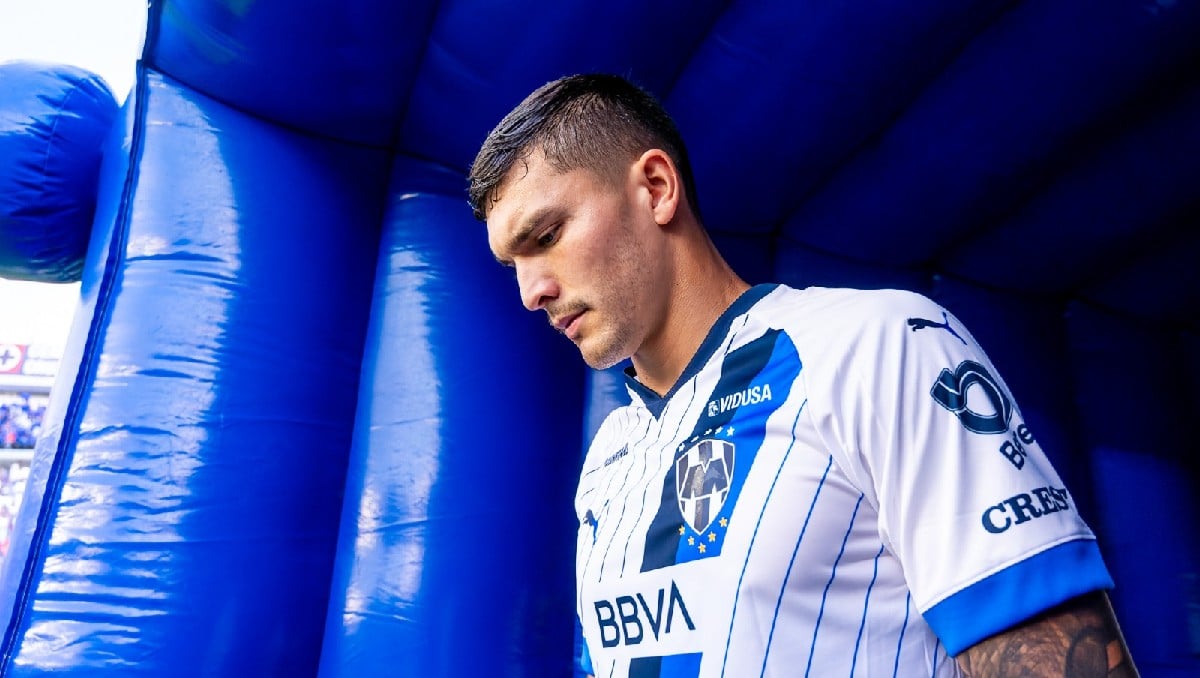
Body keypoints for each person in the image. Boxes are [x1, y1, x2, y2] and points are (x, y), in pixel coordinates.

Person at [468, 74, 1136, 677]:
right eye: (512, 264)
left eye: (546, 234)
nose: (531, 291)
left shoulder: (875, 344)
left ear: (656, 188)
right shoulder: (611, 453)